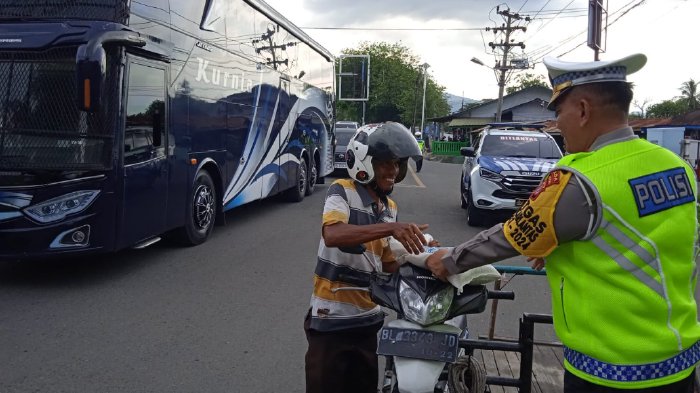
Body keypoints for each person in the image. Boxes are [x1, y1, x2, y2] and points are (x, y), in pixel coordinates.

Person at [426, 53, 700, 392]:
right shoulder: (676, 166)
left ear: (583, 110)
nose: (557, 125)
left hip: (611, 370)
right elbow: (643, 238)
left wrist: (448, 260)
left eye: (559, 113)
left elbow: (511, 236)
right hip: (680, 362)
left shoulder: (583, 178)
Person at [304, 121, 429, 393]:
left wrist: (422, 254)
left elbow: (386, 264)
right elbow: (333, 234)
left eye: (397, 164)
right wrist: (391, 228)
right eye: (385, 163)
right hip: (331, 320)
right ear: (365, 163)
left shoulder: (390, 208)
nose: (393, 171)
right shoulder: (342, 191)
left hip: (368, 320)